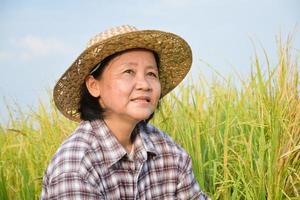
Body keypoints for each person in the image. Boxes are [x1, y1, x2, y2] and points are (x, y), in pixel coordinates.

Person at [41, 25, 210, 199]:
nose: (144, 84)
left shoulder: (169, 152)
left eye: (151, 74)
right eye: (128, 72)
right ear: (94, 86)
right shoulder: (75, 167)